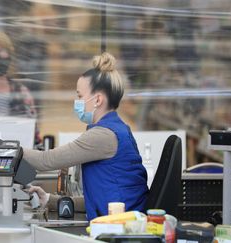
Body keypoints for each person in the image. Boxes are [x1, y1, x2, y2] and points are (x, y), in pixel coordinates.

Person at [24, 52, 148, 220]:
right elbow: (98, 200)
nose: (77, 102)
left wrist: (4, 147)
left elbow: (46, 160)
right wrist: (49, 200)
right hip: (121, 220)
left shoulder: (103, 135)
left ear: (97, 100)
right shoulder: (118, 129)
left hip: (120, 227)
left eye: (80, 96)